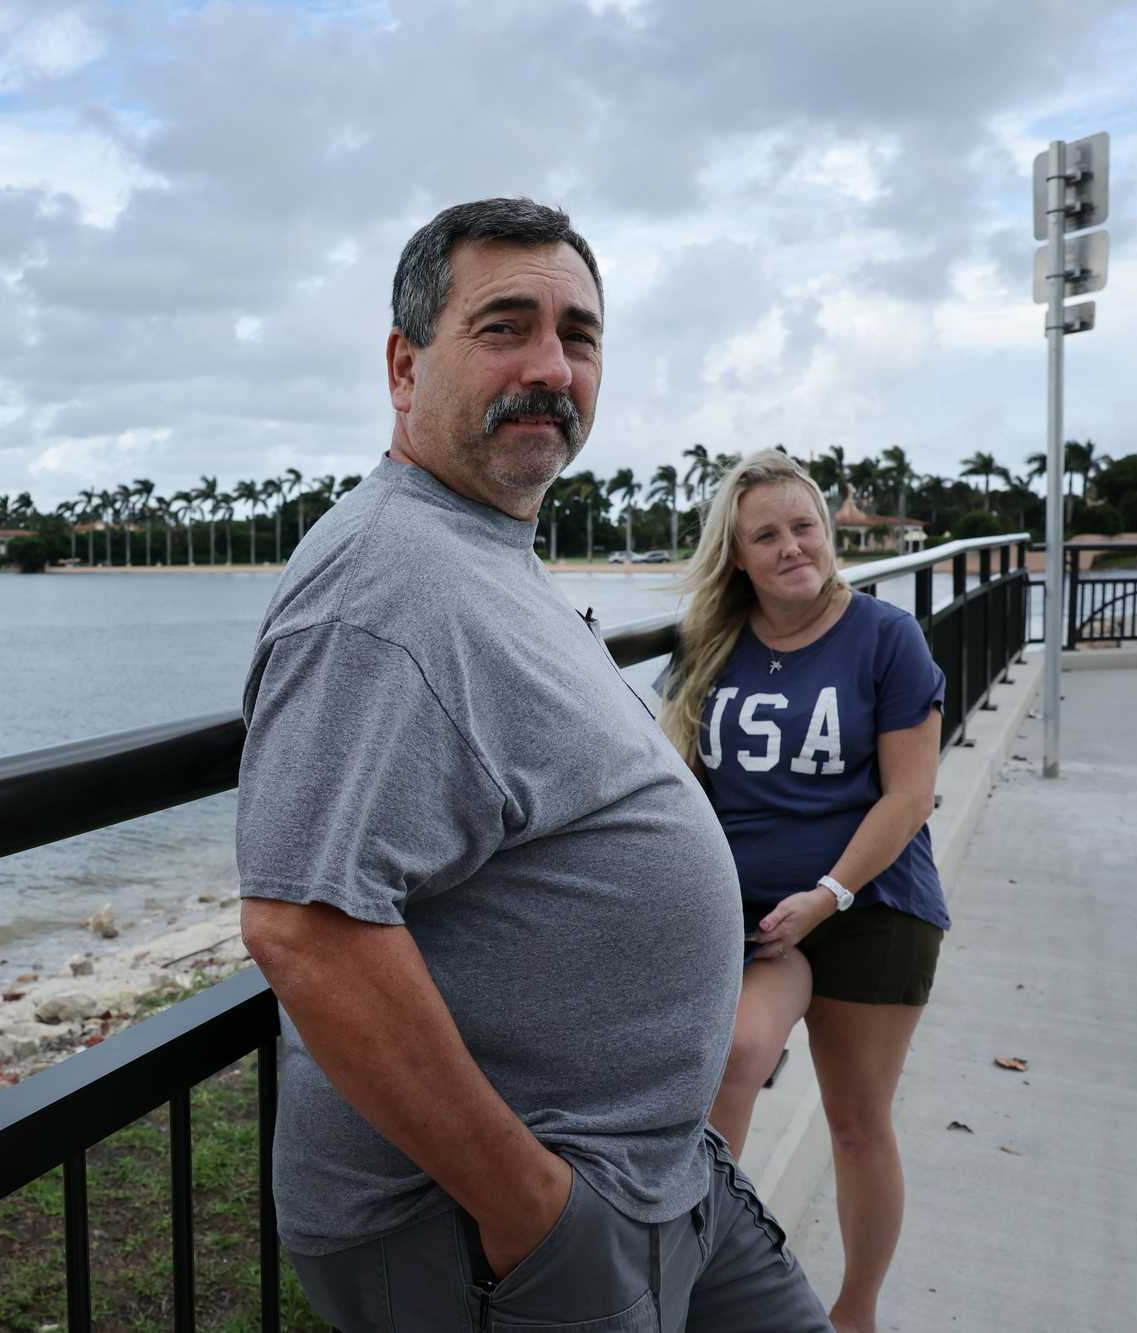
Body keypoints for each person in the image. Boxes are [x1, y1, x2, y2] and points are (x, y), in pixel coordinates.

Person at [234, 197, 832, 1332]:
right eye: (504, 326)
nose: (549, 366)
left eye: (578, 335)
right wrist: (532, 1211)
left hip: (655, 1176)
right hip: (493, 1229)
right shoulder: (382, 587)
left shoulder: (481, 544)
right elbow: (305, 926)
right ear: (405, 365)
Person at [660, 449, 947, 1333]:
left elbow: (910, 794)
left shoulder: (886, 637)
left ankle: (855, 1310)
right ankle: (696, 1286)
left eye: (805, 526)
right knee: (737, 1058)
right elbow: (670, 788)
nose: (792, 546)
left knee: (857, 1121)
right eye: (767, 534)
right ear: (737, 556)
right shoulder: (710, 646)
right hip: (756, 920)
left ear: (827, 535)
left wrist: (829, 891)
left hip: (873, 905)